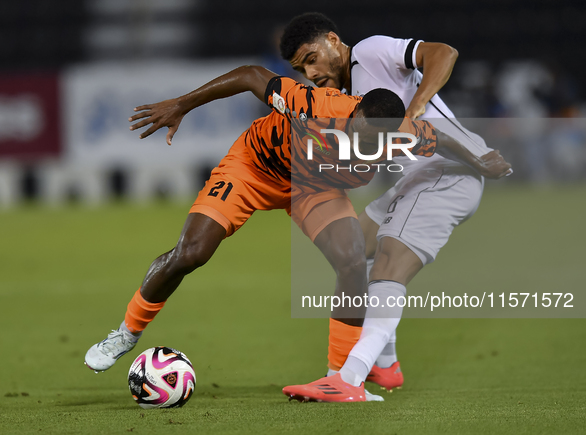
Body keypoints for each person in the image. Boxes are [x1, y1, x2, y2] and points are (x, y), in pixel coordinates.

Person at [83, 64, 486, 402]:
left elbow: (444, 139)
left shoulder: (401, 133)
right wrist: (182, 104)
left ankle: (339, 379)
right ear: (356, 109)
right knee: (191, 252)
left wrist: (483, 160)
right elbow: (250, 75)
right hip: (254, 168)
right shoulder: (317, 105)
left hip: (315, 190)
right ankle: (124, 334)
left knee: (351, 262)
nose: (358, 142)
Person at [279, 13, 512, 400]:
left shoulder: (369, 53)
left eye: (311, 57)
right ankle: (385, 365)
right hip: (421, 177)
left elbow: (443, 53)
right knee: (356, 250)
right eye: (301, 68)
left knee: (388, 265)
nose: (310, 71)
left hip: (447, 172)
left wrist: (417, 104)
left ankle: (349, 378)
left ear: (334, 41)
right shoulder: (340, 99)